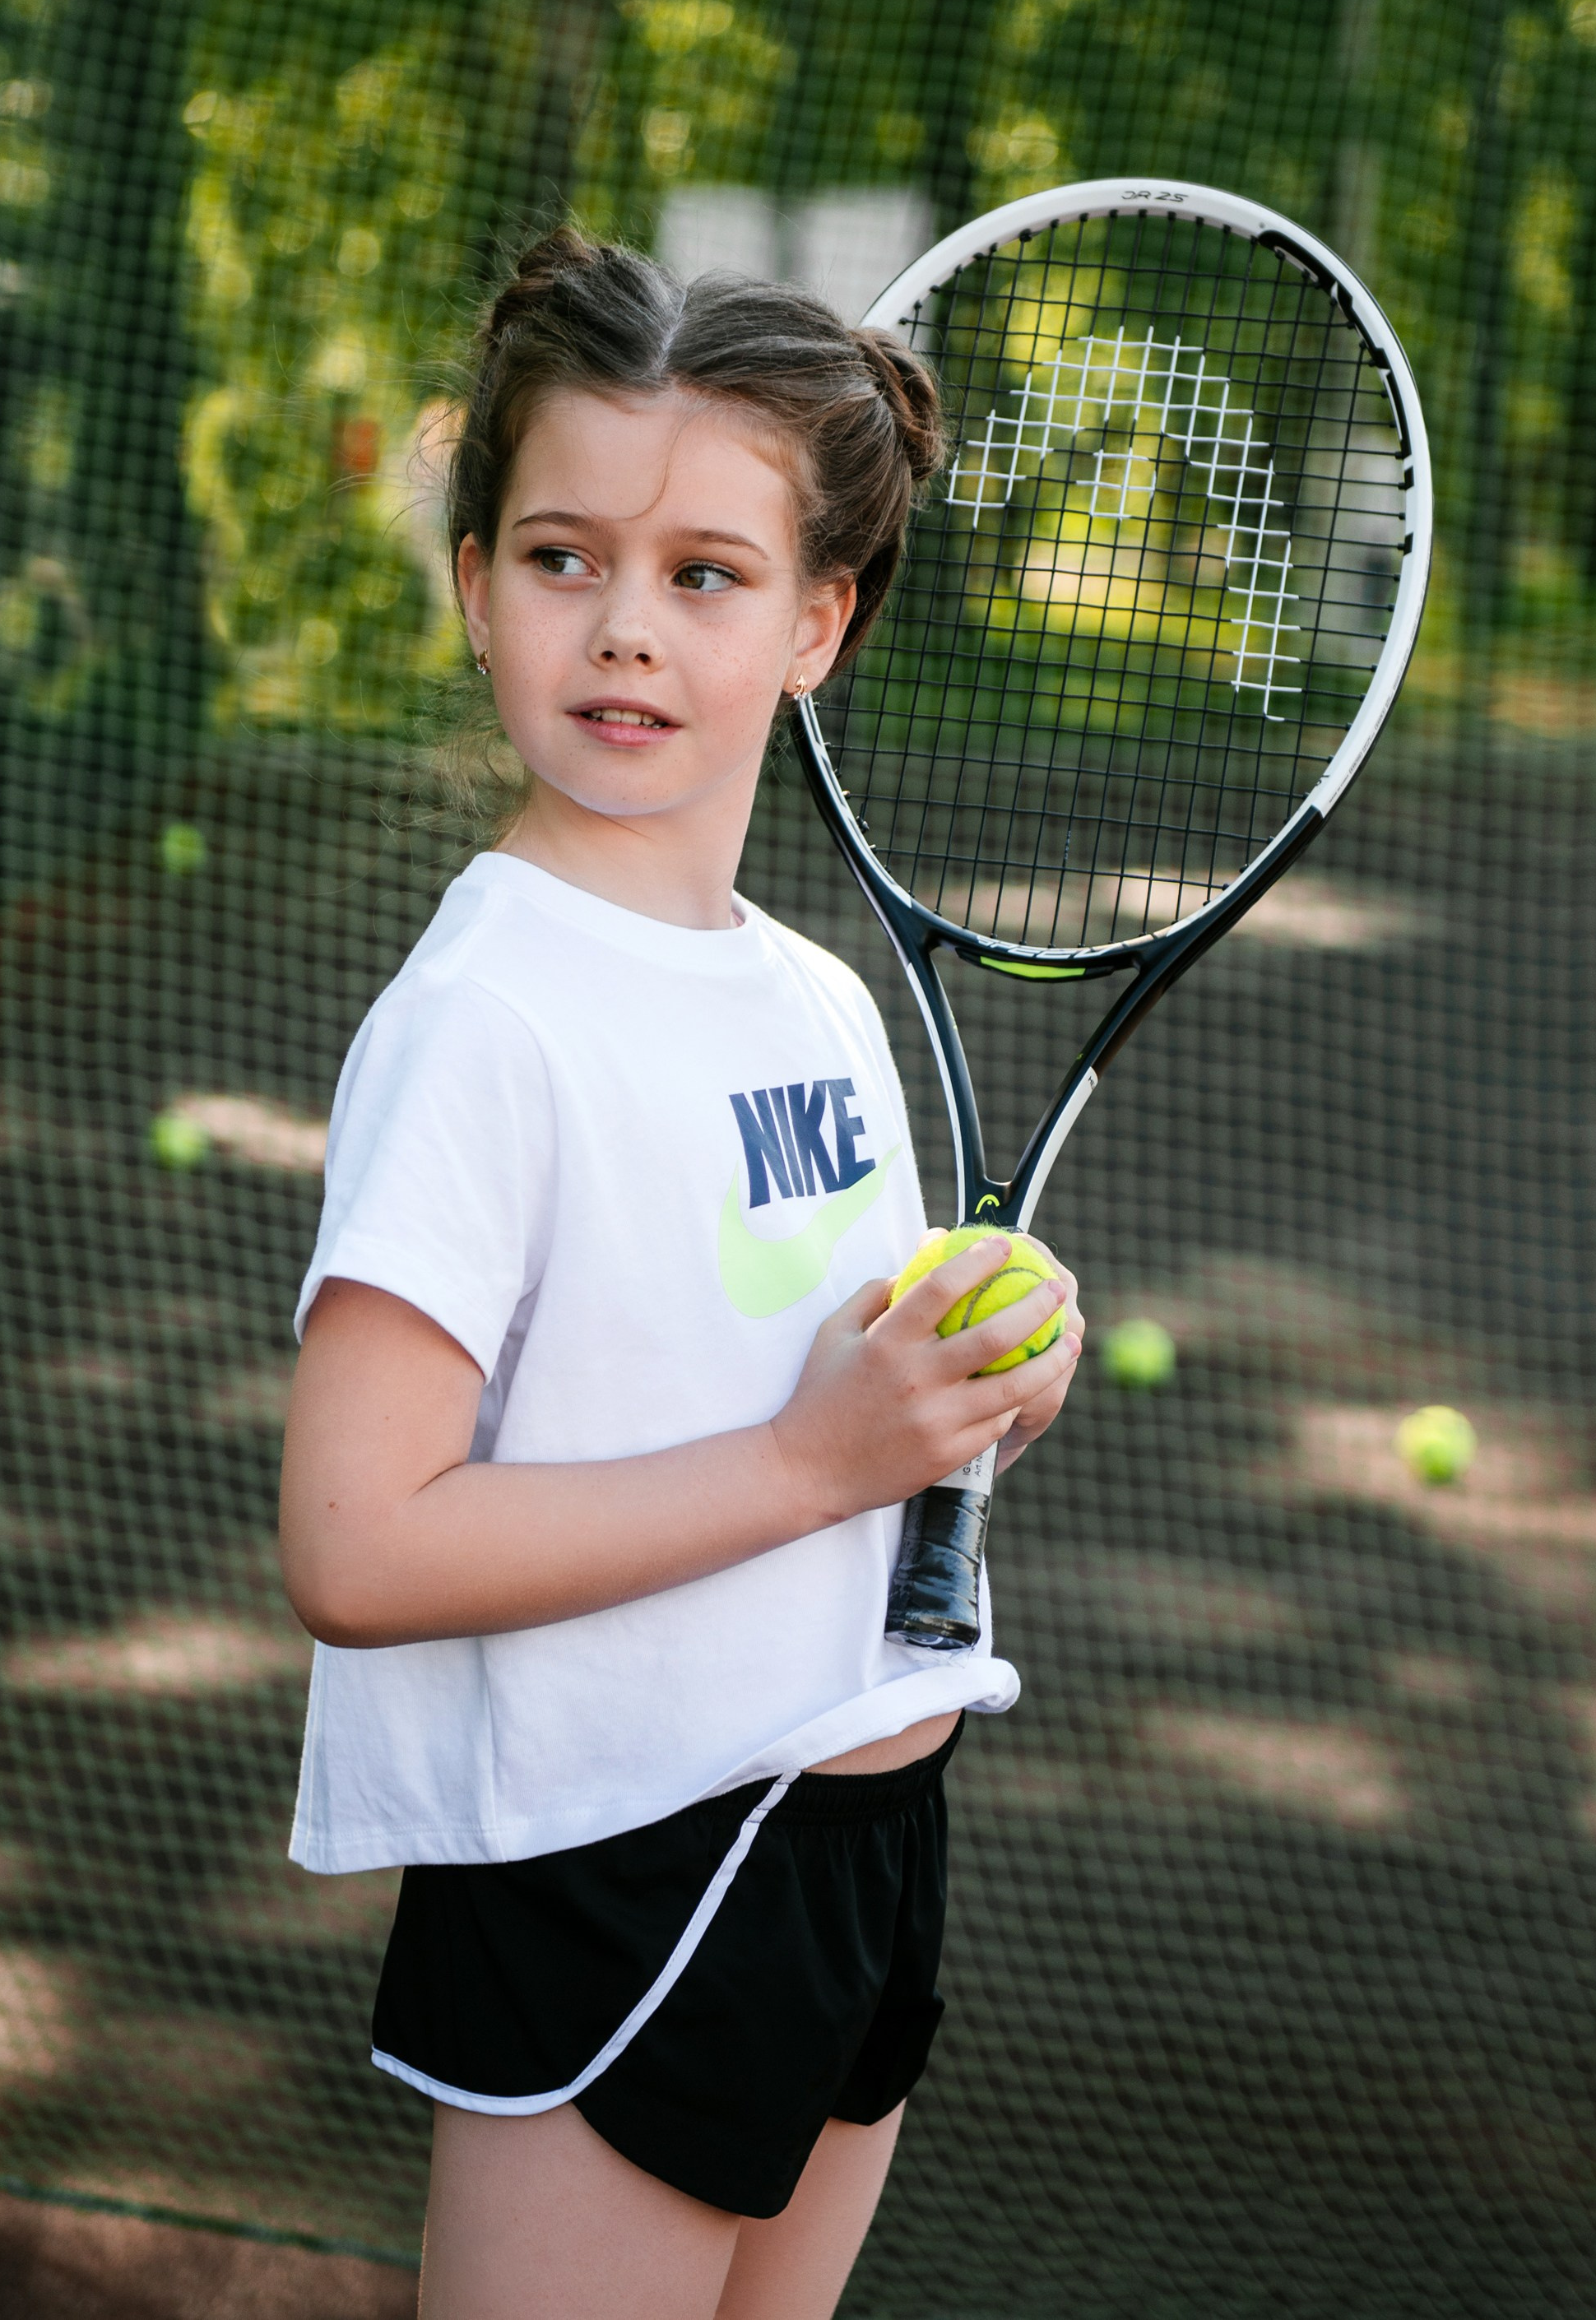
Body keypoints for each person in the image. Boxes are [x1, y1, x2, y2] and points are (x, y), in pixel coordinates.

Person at [278, 230, 1084, 2320]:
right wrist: (828, 1457)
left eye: (706, 576)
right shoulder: (481, 1021)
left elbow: (839, 1405)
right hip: (613, 1860)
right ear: (474, 588)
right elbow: (360, 1545)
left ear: (819, 619)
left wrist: (971, 1393)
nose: (625, 628)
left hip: (864, 1841)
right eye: (562, 557)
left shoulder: (811, 998)